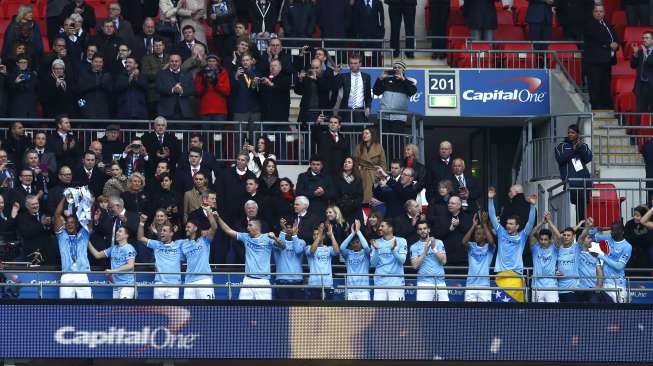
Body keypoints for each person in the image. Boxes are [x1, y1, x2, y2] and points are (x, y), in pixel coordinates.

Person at [216, 212, 282, 300]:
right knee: (243, 309)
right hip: (247, 280)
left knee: (265, 311)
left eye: (250, 225)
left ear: (257, 227)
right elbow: (228, 230)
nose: (248, 228)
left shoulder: (267, 238)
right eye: (248, 225)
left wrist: (275, 238)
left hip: (263, 281)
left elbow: (282, 246)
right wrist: (218, 218)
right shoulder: (245, 237)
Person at [488, 186, 536, 302]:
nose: (508, 225)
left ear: (517, 226)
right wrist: (490, 200)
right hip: (501, 277)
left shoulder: (522, 236)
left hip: (516, 278)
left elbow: (530, 222)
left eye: (511, 224)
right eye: (507, 223)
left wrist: (533, 206)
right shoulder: (501, 232)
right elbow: (492, 216)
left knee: (517, 313)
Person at [53, 198, 93, 299]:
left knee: (87, 307)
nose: (70, 224)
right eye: (67, 223)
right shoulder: (62, 236)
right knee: (65, 307)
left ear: (77, 224)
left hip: (82, 275)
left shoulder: (84, 235)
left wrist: (86, 201)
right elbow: (57, 215)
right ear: (65, 225)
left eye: (72, 222)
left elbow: (89, 218)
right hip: (67, 275)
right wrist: (64, 197)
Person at [137, 214, 182, 299]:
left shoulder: (179, 245)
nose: (161, 232)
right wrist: (141, 223)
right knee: (159, 311)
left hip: (173, 284)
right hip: (159, 284)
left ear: (171, 233)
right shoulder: (157, 244)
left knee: (172, 312)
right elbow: (140, 238)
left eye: (164, 231)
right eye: (161, 230)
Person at [587, 218, 632, 303]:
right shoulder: (608, 237)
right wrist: (595, 229)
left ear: (622, 231)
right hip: (605, 283)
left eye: (615, 230)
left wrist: (599, 255)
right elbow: (590, 236)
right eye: (612, 230)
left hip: (618, 284)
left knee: (619, 313)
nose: (612, 232)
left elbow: (619, 266)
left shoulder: (627, 246)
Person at [373, 60, 417, 148]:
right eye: (395, 68)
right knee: (383, 142)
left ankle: (397, 161)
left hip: (399, 117)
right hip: (384, 116)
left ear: (403, 70)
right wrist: (380, 79)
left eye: (399, 68)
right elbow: (376, 92)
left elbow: (412, 92)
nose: (397, 69)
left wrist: (404, 80)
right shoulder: (386, 80)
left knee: (397, 143)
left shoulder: (409, 82)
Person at [583, 5, 619, 109]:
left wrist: (617, 44)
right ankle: (597, 108)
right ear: (593, 13)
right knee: (595, 85)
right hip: (595, 61)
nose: (599, 13)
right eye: (596, 11)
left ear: (604, 13)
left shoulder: (607, 23)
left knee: (605, 85)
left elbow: (614, 36)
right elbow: (597, 37)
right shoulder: (589, 24)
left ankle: (606, 107)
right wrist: (609, 44)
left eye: (601, 11)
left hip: (607, 61)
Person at [554, 124, 592, 222]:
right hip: (571, 182)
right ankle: (576, 232)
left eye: (573, 132)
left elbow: (588, 158)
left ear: (578, 134)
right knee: (573, 208)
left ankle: (581, 231)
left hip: (584, 182)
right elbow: (561, 159)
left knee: (582, 210)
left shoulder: (583, 146)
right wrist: (573, 150)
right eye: (569, 132)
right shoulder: (561, 146)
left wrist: (580, 149)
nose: (570, 134)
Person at [88, 227, 137, 299]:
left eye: (120, 231)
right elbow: (97, 255)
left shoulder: (129, 248)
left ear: (126, 235)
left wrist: (112, 271)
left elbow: (130, 265)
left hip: (127, 285)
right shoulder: (113, 248)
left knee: (124, 307)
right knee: (117, 309)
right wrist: (87, 241)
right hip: (116, 286)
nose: (117, 233)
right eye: (117, 231)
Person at [180, 213, 218, 299]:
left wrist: (210, 214)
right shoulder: (183, 244)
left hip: (204, 280)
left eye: (189, 227)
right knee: (187, 311)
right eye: (186, 227)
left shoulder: (204, 240)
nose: (186, 229)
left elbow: (214, 227)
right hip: (189, 282)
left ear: (195, 228)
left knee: (208, 310)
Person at [370, 219, 408, 301]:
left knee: (397, 313)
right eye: (379, 226)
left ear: (390, 228)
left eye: (382, 226)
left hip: (396, 284)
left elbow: (402, 261)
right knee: (379, 313)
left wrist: (393, 250)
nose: (379, 228)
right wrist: (376, 250)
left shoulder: (401, 241)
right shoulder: (375, 242)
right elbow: (373, 264)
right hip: (379, 284)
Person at [410, 221, 448, 301]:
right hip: (424, 283)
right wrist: (425, 250)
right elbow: (415, 266)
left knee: (445, 310)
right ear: (417, 231)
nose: (422, 231)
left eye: (424, 228)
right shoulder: (414, 247)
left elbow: (444, 261)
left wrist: (434, 248)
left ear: (429, 230)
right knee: (423, 311)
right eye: (420, 229)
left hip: (440, 282)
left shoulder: (439, 242)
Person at [461, 212, 495, 302]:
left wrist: (484, 224)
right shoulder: (471, 246)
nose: (476, 235)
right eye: (475, 233)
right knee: (469, 313)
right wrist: (473, 226)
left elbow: (491, 241)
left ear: (484, 236)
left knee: (484, 314)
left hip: (484, 286)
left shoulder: (489, 248)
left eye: (479, 233)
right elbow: (463, 242)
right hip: (470, 285)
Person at [528, 212, 560, 303]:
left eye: (545, 239)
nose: (543, 241)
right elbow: (531, 234)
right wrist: (542, 222)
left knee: (553, 313)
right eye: (541, 239)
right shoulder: (535, 249)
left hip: (551, 286)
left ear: (550, 240)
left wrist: (549, 222)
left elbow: (559, 236)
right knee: (537, 315)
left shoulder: (554, 249)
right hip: (536, 286)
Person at [432, 196, 471, 268]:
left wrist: (459, 225)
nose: (449, 205)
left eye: (452, 203)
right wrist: (449, 229)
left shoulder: (466, 217)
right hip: (446, 257)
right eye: (449, 203)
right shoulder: (442, 217)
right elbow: (436, 234)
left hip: (463, 257)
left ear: (459, 205)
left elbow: (470, 233)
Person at [304, 222, 341, 300]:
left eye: (318, 234)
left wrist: (331, 235)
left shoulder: (328, 249)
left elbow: (337, 251)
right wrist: (319, 236)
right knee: (313, 311)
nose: (316, 236)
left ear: (323, 236)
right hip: (314, 285)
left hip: (327, 284)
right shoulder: (308, 247)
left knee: (328, 311)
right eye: (314, 234)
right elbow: (312, 251)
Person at [272, 219, 306, 300]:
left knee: (298, 311)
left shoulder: (302, 242)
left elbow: (298, 250)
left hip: (297, 281)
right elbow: (281, 246)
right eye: (287, 227)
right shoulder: (276, 242)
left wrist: (294, 235)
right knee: (282, 311)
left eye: (292, 227)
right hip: (282, 282)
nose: (289, 229)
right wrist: (283, 231)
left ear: (296, 229)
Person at [156, 53, 196, 120]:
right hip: (166, 112)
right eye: (172, 61)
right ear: (169, 62)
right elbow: (158, 88)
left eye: (176, 61)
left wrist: (181, 91)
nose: (174, 63)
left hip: (184, 112)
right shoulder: (161, 73)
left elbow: (192, 90)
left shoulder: (187, 74)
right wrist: (172, 90)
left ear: (180, 62)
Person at [295, 155, 335, 221]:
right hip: (306, 210)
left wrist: (323, 193)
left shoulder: (327, 178)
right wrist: (313, 193)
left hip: (322, 210)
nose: (315, 166)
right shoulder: (302, 176)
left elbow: (333, 194)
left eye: (318, 164)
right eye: (313, 164)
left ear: (322, 166)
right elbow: (298, 192)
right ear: (310, 165)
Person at [334, 54, 372, 123]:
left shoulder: (366, 77)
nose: (353, 65)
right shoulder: (344, 76)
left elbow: (368, 95)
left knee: (360, 131)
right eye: (351, 63)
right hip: (346, 110)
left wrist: (368, 107)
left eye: (355, 63)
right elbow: (335, 87)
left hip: (360, 110)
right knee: (346, 131)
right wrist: (336, 73)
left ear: (360, 64)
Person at [295, 58, 334, 123]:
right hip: (307, 110)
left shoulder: (327, 75)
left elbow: (326, 88)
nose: (314, 70)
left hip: (321, 111)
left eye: (317, 68)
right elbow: (298, 91)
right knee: (306, 131)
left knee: (322, 131)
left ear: (321, 67)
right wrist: (300, 80)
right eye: (313, 68)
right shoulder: (306, 78)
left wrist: (316, 79)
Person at [354, 128, 387, 205]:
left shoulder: (379, 147)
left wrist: (381, 175)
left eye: (367, 133)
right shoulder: (359, 147)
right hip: (362, 174)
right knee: (362, 197)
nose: (364, 135)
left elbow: (383, 163)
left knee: (373, 198)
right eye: (363, 134)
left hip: (374, 174)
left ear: (372, 135)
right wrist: (357, 171)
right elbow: (355, 161)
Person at [340, 219, 371, 300]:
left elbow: (366, 247)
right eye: (353, 243)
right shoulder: (348, 254)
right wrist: (352, 233)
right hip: (350, 290)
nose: (355, 244)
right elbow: (342, 247)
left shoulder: (366, 253)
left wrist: (358, 231)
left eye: (357, 242)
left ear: (361, 242)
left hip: (363, 291)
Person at [311, 115, 351, 179]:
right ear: (328, 125)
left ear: (339, 126)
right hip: (325, 172)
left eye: (335, 123)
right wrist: (317, 123)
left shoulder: (344, 139)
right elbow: (314, 134)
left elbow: (346, 155)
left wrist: (346, 170)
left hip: (339, 173)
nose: (333, 124)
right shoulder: (322, 136)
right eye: (331, 122)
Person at [196, 54, 231, 122]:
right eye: (209, 61)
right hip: (205, 110)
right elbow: (198, 92)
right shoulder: (200, 73)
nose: (211, 63)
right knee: (206, 132)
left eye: (214, 61)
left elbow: (227, 91)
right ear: (206, 62)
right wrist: (204, 84)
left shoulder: (223, 72)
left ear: (217, 62)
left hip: (219, 110)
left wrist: (216, 84)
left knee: (218, 132)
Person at [75, 55, 113, 119]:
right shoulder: (84, 74)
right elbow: (79, 90)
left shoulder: (107, 75)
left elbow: (111, 91)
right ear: (92, 62)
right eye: (96, 62)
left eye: (100, 62)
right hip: (87, 112)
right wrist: (83, 107)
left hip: (103, 112)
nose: (98, 64)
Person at [577, 220, 605, 302]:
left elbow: (599, 272)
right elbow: (581, 237)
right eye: (588, 238)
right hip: (579, 289)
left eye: (591, 238)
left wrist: (599, 286)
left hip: (592, 289)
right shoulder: (577, 252)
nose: (591, 240)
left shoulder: (594, 255)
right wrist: (588, 227)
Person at [335, 157, 364, 223]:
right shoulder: (338, 178)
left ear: (353, 165)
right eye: (345, 162)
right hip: (342, 209)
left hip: (355, 210)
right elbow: (336, 195)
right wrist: (343, 204)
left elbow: (360, 196)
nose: (346, 164)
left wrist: (352, 203)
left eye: (349, 162)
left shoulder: (358, 179)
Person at [631, 31, 653, 113]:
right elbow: (633, 66)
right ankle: (639, 126)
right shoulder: (640, 52)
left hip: (651, 86)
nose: (644, 40)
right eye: (643, 38)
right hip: (640, 86)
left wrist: (646, 55)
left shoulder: (644, 52)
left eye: (647, 38)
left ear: (652, 40)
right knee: (640, 111)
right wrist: (635, 54)